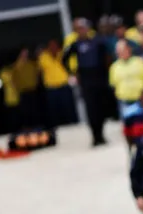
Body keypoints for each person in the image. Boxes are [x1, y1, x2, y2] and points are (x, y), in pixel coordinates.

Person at [62, 18, 109, 146]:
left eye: (82, 28)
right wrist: (72, 73)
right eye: (77, 29)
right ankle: (95, 136)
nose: (81, 31)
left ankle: (101, 134)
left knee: (101, 108)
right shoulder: (75, 44)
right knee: (91, 109)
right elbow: (64, 59)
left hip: (98, 77)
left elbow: (106, 56)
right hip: (86, 79)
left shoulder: (97, 41)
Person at [39, 40, 78, 128]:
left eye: (55, 45)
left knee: (68, 106)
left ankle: (71, 124)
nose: (53, 47)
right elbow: (40, 71)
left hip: (64, 85)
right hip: (51, 87)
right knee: (54, 109)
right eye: (51, 45)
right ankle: (57, 126)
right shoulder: (43, 56)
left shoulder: (63, 54)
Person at [109, 40, 143, 117]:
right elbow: (113, 85)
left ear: (129, 49)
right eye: (118, 51)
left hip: (141, 100)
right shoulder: (114, 66)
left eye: (123, 50)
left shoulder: (140, 62)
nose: (121, 52)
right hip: (124, 101)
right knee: (128, 124)